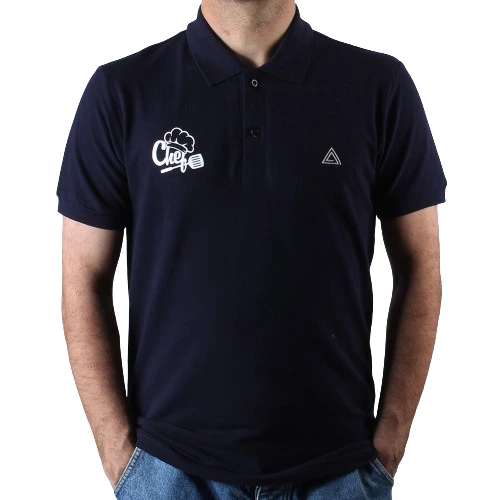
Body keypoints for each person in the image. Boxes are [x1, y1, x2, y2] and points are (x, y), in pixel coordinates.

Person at [56, 0, 447, 498]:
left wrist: (390, 441)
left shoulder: (379, 87)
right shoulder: (121, 91)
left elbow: (421, 268)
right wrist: (120, 458)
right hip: (171, 473)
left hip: (339, 472)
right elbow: (82, 278)